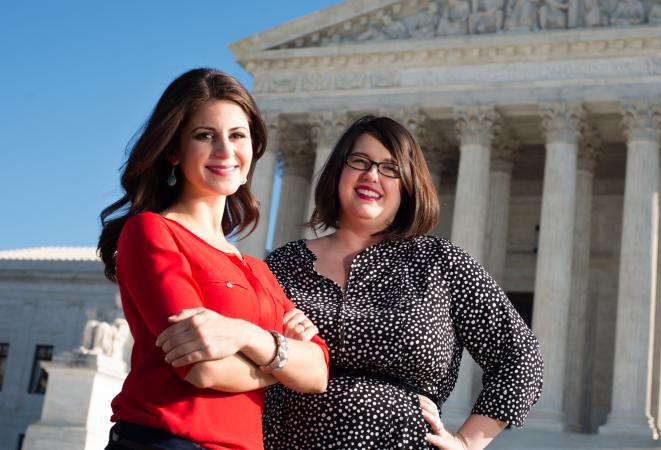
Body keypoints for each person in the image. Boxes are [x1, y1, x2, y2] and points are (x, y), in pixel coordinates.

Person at [159, 115, 543, 449]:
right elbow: (236, 360)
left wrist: (468, 442)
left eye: (390, 168)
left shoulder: (440, 263)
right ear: (338, 172)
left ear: (408, 185)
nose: (372, 175)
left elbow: (521, 358)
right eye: (359, 161)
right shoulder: (282, 265)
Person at [97, 68, 329, 450]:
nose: (225, 150)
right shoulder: (151, 231)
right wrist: (282, 363)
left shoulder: (257, 269)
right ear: (174, 150)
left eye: (237, 135)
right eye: (205, 135)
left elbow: (318, 373)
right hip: (164, 441)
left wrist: (244, 336)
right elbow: (202, 368)